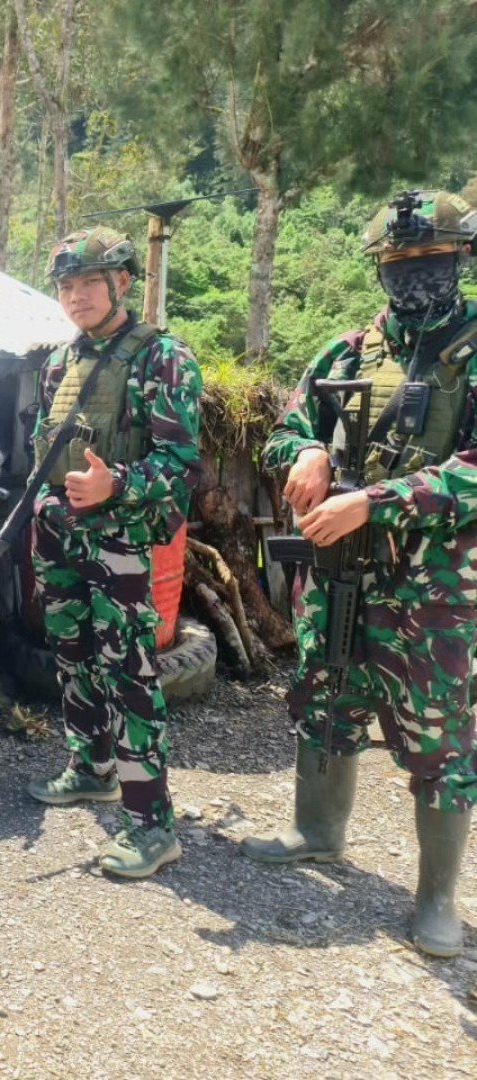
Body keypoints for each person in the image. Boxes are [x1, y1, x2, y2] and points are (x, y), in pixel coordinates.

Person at [243, 190, 477, 957]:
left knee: (439, 735)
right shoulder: (345, 352)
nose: (415, 274)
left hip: (435, 587)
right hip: (342, 571)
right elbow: (285, 430)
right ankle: (317, 831)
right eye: (399, 262)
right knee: (325, 694)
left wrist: (376, 501)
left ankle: (437, 897)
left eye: (431, 259)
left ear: (461, 258)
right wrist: (305, 453)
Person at [23, 227, 203, 879]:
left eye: (89, 283)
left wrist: (115, 485)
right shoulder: (58, 363)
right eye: (66, 286)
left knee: (128, 672)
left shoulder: (163, 358)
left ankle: (152, 824)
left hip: (121, 537)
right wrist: (43, 501)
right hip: (62, 534)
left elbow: (180, 464)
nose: (76, 296)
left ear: (122, 283)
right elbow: (44, 446)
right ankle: (91, 767)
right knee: (71, 653)